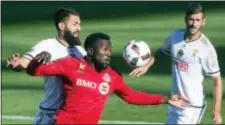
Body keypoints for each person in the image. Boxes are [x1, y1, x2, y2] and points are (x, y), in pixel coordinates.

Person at [26, 32, 189, 124]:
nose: (109, 53)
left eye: (110, 50)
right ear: (90, 51)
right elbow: (35, 71)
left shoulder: (112, 76)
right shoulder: (71, 65)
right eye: (104, 49)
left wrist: (166, 99)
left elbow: (130, 96)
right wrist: (38, 59)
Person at [130, 3, 222, 124]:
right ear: (185, 19)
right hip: (174, 101)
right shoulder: (175, 36)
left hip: (191, 106)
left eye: (198, 20)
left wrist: (216, 110)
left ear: (203, 22)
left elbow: (217, 80)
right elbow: (162, 52)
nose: (194, 24)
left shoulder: (206, 49)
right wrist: (147, 65)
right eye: (191, 19)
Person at [6, 7, 86, 124]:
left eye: (79, 24)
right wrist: (16, 65)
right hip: (50, 114)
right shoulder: (47, 45)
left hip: (71, 115)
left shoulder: (80, 51)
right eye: (75, 24)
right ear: (62, 26)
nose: (79, 28)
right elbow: (25, 63)